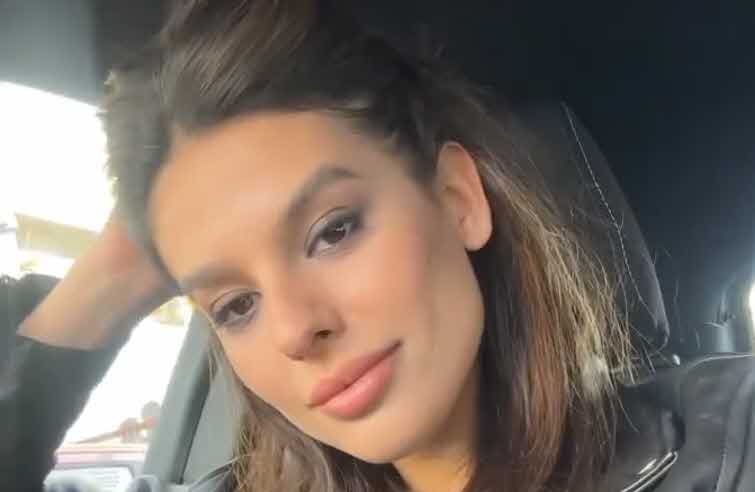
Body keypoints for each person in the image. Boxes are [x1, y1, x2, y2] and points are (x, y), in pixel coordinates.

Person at [2, 1, 755, 491]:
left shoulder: (726, 441)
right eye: (234, 305)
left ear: (457, 200)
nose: (295, 330)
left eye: (332, 231)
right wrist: (104, 286)